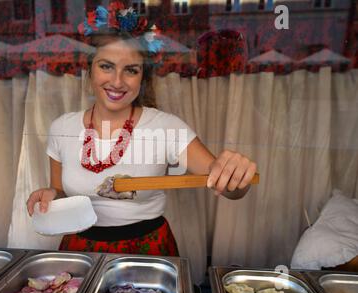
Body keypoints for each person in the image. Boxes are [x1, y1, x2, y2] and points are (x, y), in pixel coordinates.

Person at [26, 2, 257, 257]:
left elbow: (227, 185)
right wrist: (51, 195)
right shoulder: (61, 127)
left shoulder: (166, 127)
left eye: (131, 70)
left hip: (149, 249)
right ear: (89, 69)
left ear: (142, 77)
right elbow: (60, 193)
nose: (117, 81)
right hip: (80, 250)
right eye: (106, 66)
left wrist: (237, 176)